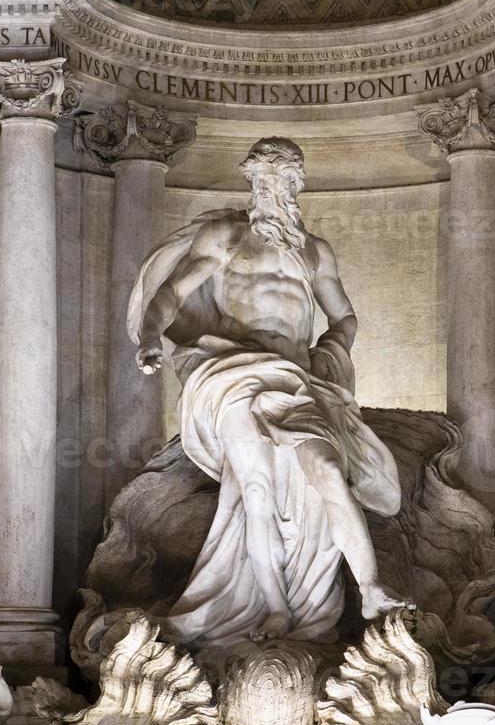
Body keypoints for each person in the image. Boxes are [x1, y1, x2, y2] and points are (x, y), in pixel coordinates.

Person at [126, 137, 409, 646]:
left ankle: (369, 587)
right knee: (254, 492)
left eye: (285, 178)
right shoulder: (225, 236)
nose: (274, 187)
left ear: (298, 184)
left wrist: (330, 354)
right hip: (233, 372)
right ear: (251, 179)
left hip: (297, 379)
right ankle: (276, 609)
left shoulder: (316, 251)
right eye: (265, 177)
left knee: (325, 470)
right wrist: (149, 337)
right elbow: (171, 293)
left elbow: (343, 315)